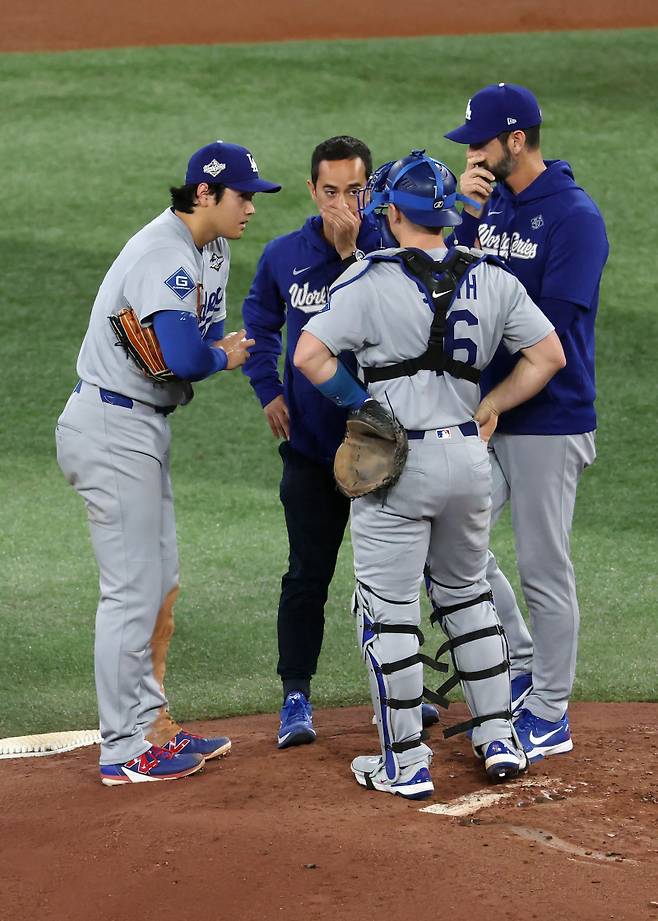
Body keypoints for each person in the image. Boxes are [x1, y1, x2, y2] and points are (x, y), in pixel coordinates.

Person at [293, 149, 566, 798]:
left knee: (388, 612)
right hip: (469, 458)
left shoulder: (368, 278)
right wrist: (491, 404)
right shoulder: (490, 277)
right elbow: (549, 353)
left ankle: (405, 763)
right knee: (468, 594)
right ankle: (499, 737)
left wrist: (360, 406)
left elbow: (309, 354)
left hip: (399, 461)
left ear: (391, 211)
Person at [55, 141, 281, 785]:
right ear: (205, 194)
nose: (251, 209)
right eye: (243, 197)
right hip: (109, 424)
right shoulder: (163, 253)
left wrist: (204, 350)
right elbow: (186, 357)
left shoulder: (210, 248)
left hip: (139, 425)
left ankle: (150, 726)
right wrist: (224, 357)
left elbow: (189, 343)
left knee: (160, 583)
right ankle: (122, 749)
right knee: (131, 591)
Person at [242, 136, 442, 748]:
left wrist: (355, 251)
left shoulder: (393, 251)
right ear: (311, 191)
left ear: (371, 191)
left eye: (354, 191)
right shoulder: (284, 256)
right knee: (307, 574)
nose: (341, 204)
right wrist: (267, 391)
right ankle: (295, 696)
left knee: (400, 578)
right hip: (311, 450)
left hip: (388, 452)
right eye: (329, 192)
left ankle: (401, 687)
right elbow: (258, 324)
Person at [444, 83, 609, 761]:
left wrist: (494, 399)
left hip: (548, 419)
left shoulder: (574, 218)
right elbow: (450, 289)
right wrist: (461, 217)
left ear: (517, 141)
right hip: (489, 415)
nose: (473, 156)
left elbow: (552, 338)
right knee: (453, 541)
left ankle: (550, 709)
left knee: (544, 566)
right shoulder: (489, 206)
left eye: (481, 144)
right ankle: (518, 658)